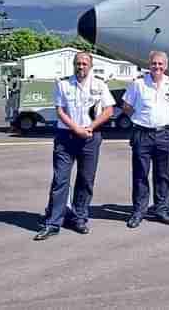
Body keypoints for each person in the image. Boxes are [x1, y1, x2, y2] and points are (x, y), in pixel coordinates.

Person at [34, 52, 114, 240]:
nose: (81, 67)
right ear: (73, 65)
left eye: (85, 64)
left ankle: (79, 218)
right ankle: (53, 222)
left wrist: (90, 127)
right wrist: (76, 128)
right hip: (66, 137)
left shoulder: (99, 84)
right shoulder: (63, 84)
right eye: (78, 64)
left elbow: (109, 110)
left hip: (90, 137)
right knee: (60, 180)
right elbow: (60, 111)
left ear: (90, 66)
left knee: (86, 180)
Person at [122, 51, 169, 228]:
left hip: (163, 134)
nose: (157, 67)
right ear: (149, 65)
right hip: (142, 134)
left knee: (163, 174)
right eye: (154, 63)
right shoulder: (138, 84)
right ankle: (139, 211)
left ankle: (161, 210)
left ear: (166, 66)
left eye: (160, 64)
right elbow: (126, 106)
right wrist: (140, 119)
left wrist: (160, 120)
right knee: (140, 174)